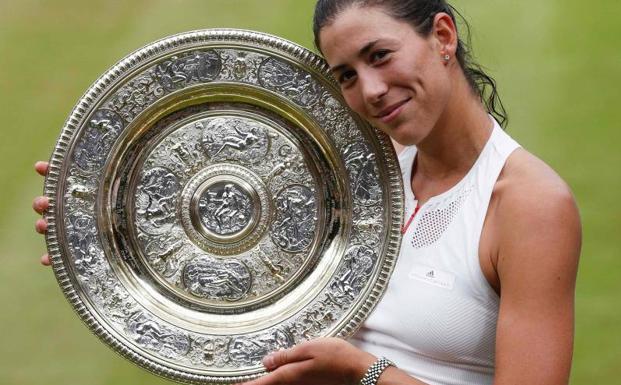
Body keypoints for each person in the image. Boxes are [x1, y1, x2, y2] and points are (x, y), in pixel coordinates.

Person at [32, 1, 582, 384]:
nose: (369, 92)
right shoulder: (352, 175)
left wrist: (358, 373)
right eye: (345, 75)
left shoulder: (530, 205)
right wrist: (101, 238)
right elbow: (246, 273)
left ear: (442, 36)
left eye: (380, 55)